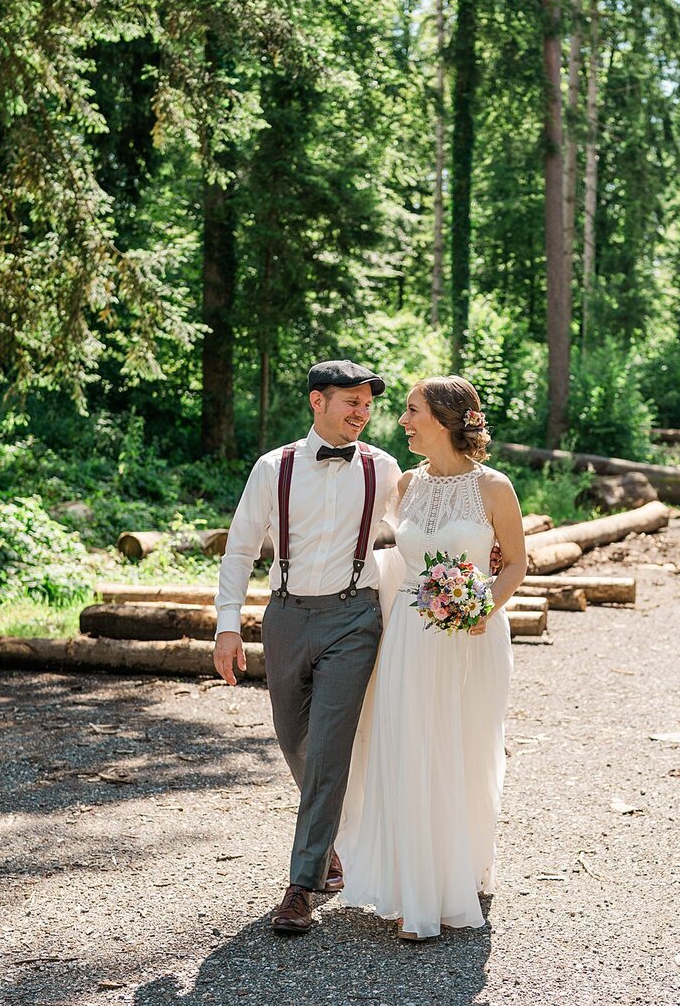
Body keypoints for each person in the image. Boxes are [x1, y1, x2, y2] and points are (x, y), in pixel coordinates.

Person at [213, 360, 402, 935]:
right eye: (351, 401)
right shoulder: (273, 468)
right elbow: (241, 548)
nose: (362, 412)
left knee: (327, 746)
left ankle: (301, 885)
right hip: (286, 618)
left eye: (368, 404)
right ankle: (328, 848)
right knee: (295, 742)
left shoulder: (385, 468)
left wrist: (482, 550)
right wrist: (227, 625)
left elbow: (422, 528)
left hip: (354, 617)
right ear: (317, 402)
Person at [335, 375, 525, 941]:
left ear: (444, 419)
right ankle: (410, 885)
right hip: (410, 637)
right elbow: (377, 547)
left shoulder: (494, 488)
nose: (403, 421)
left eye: (412, 411)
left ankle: (454, 877)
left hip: (473, 637)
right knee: (409, 750)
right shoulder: (407, 484)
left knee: (461, 751)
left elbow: (514, 563)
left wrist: (478, 607)